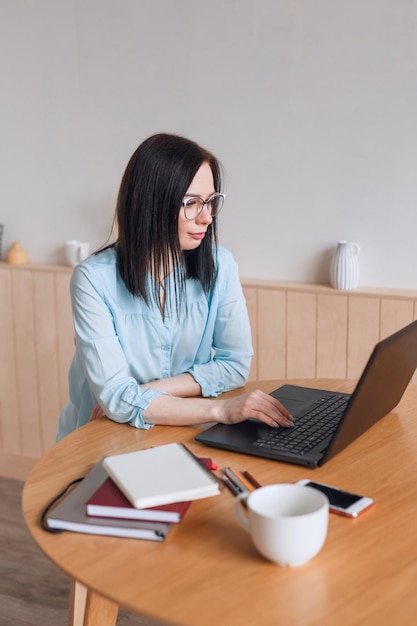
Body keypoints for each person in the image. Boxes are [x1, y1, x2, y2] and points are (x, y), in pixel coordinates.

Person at [57, 133, 293, 440]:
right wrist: (220, 410)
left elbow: (234, 365)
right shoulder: (92, 279)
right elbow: (115, 399)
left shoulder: (220, 265)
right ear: (151, 203)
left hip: (180, 429)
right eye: (192, 203)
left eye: (210, 202)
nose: (206, 217)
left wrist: (148, 391)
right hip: (102, 436)